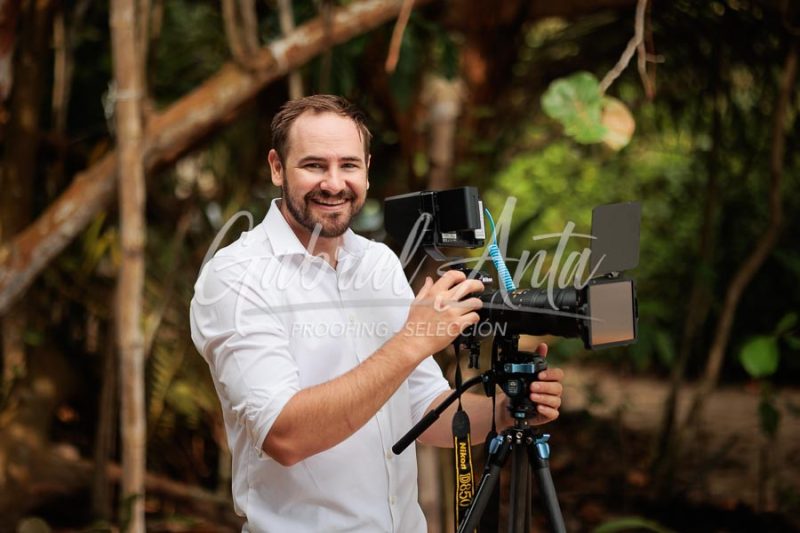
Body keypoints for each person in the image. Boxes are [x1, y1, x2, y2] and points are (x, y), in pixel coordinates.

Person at [190, 95, 564, 532]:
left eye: (348, 165)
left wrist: (506, 409)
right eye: (314, 165)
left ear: (366, 169)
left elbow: (425, 411)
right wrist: (412, 341)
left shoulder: (378, 262)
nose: (333, 183)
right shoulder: (237, 276)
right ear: (277, 167)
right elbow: (285, 436)